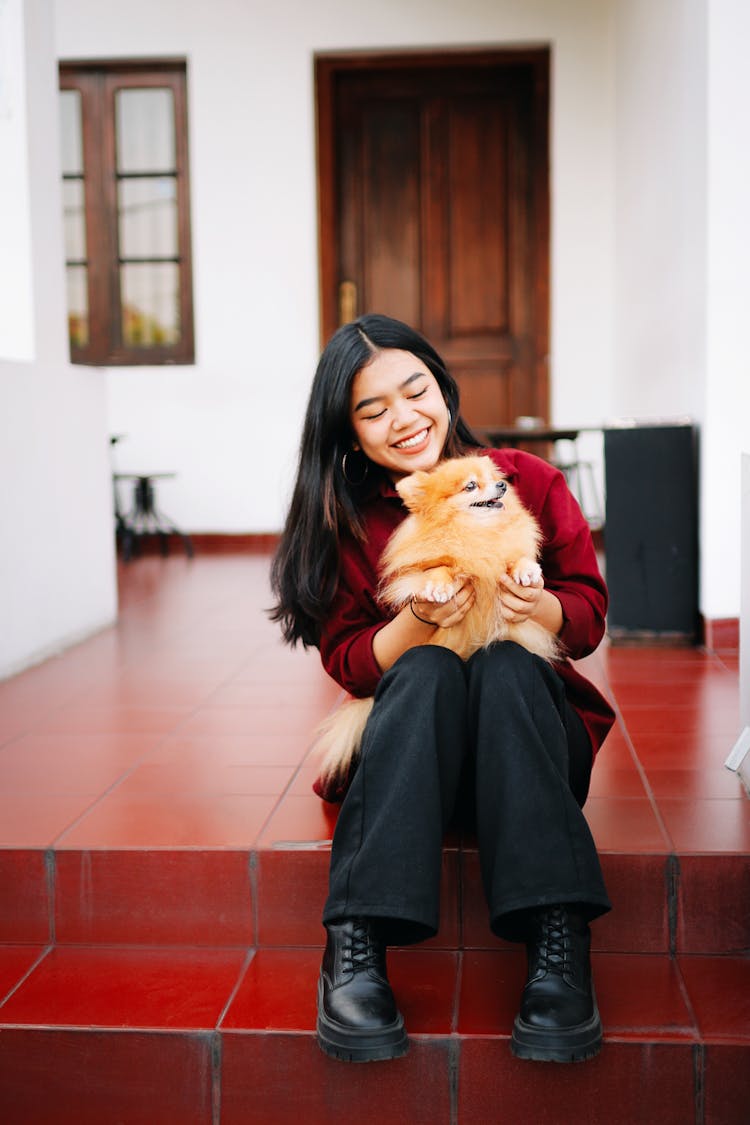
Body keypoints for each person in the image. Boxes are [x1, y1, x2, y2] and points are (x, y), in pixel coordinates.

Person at [270, 314, 615, 1064]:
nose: (403, 418)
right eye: (372, 409)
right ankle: (355, 941)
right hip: (409, 766)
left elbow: (585, 616)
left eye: (414, 389)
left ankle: (557, 938)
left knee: (506, 663)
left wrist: (536, 605)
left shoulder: (525, 479)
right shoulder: (348, 519)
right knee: (422, 667)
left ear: (443, 386)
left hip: (524, 753)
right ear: (347, 431)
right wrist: (417, 620)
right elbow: (353, 663)